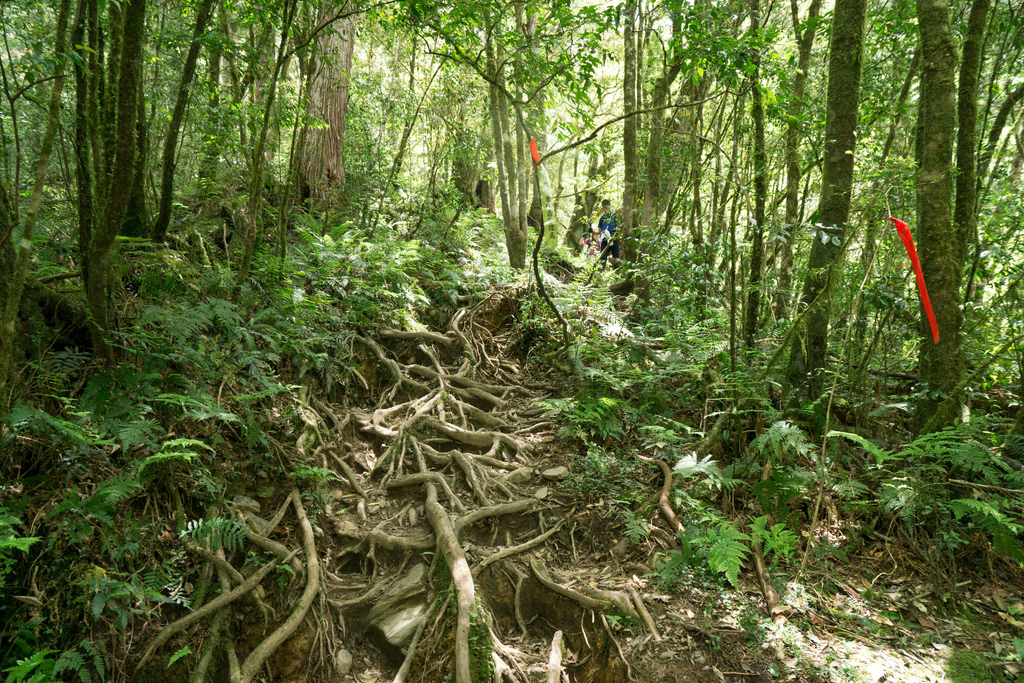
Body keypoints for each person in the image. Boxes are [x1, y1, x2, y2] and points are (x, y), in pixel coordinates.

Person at [596, 199, 620, 266]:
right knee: (603, 256)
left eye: (606, 207)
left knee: (616, 256)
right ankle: (601, 272)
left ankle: (616, 273)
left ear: (610, 206)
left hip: (614, 237)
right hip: (605, 238)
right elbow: (599, 230)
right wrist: (592, 231)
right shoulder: (602, 217)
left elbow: (622, 224)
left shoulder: (615, 215)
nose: (604, 209)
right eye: (603, 207)